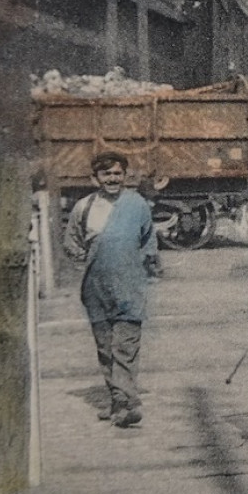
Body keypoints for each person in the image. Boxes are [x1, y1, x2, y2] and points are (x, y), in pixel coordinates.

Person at [64, 152, 159, 428]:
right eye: (106, 174)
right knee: (105, 348)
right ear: (95, 178)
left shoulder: (137, 204)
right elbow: (71, 243)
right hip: (96, 287)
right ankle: (117, 401)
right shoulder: (84, 207)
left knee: (125, 347)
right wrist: (89, 260)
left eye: (118, 173)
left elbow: (148, 240)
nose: (113, 179)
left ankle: (129, 403)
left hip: (129, 286)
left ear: (125, 176)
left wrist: (142, 267)